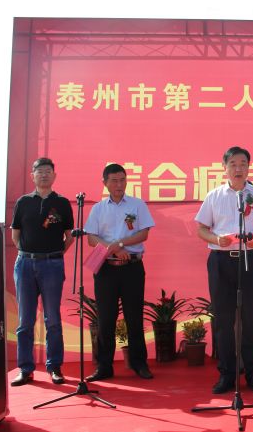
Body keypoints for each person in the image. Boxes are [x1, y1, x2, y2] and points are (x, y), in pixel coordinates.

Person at [195, 146, 253, 394]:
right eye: (233, 164)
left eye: (243, 164)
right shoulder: (214, 196)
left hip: (250, 259)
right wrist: (216, 238)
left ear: (249, 167)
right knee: (223, 320)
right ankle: (227, 374)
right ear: (225, 168)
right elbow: (201, 229)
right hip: (221, 260)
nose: (238, 168)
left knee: (251, 318)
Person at [83, 163, 155, 381]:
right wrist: (111, 249)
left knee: (134, 317)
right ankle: (104, 366)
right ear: (105, 183)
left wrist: (121, 244)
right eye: (114, 180)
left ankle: (139, 363)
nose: (119, 185)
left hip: (132, 267)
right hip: (106, 269)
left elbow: (143, 234)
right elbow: (91, 238)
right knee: (106, 318)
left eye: (122, 180)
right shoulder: (98, 208)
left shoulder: (137, 204)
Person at [10, 157, 74, 386]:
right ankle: (25, 369)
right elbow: (15, 235)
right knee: (25, 320)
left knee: (53, 319)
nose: (44, 175)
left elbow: (69, 236)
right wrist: (28, 253)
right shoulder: (23, 202)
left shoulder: (62, 203)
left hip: (52, 265)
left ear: (54, 176)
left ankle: (54, 366)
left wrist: (54, 255)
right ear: (32, 176)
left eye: (48, 171)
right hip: (25, 265)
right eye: (40, 171)